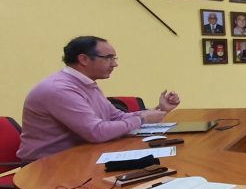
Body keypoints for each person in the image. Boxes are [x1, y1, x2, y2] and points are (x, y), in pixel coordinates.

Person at [18, 36, 181, 162]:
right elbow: (96, 132)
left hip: (83, 155)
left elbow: (116, 117)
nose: (115, 64)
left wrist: (159, 110)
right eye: (109, 58)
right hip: (48, 165)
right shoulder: (60, 89)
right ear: (84, 59)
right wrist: (141, 119)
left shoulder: (87, 83)